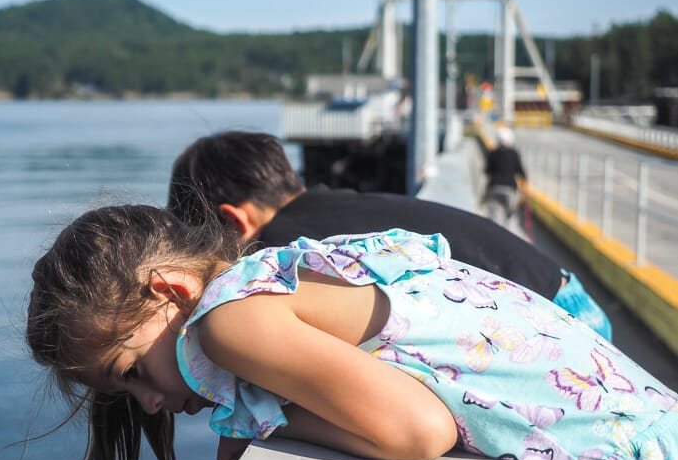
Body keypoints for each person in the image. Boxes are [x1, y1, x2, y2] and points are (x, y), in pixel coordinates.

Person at [26, 204, 678, 460]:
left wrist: (265, 432)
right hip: (637, 439)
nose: (144, 403)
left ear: (168, 291)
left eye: (131, 369)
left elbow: (419, 431)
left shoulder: (228, 321)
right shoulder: (284, 271)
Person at [167, 131, 613, 341]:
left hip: (552, 318)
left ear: (234, 222)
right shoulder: (340, 204)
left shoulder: (283, 250)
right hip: (558, 289)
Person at [483, 126, 527, 230]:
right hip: (510, 189)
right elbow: (521, 172)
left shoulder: (493, 153)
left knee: (494, 218)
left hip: (494, 187)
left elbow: (487, 171)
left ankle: (495, 238)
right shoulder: (514, 153)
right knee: (509, 218)